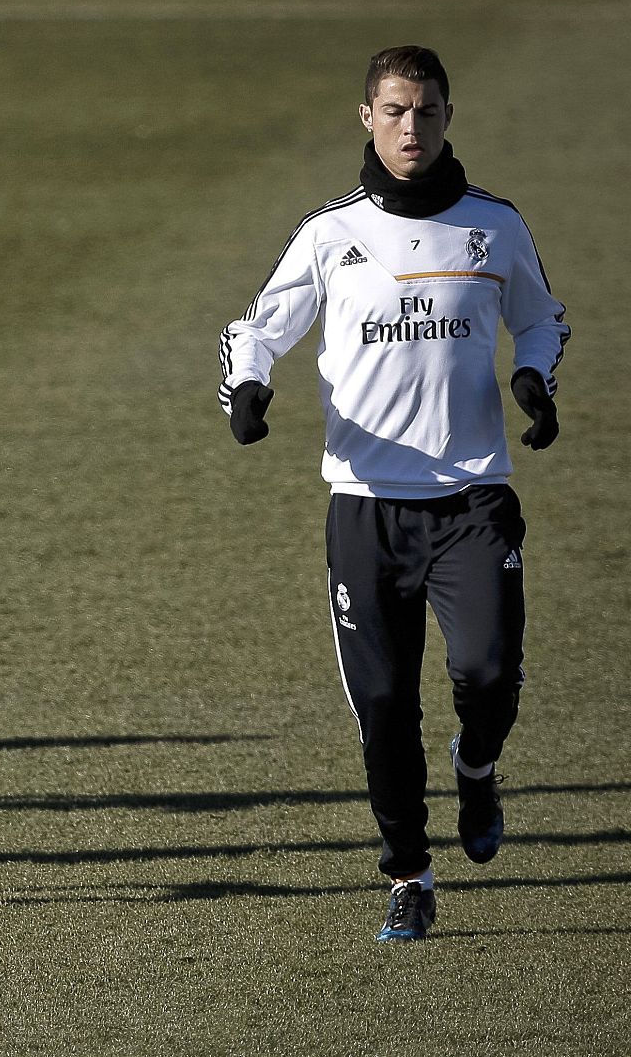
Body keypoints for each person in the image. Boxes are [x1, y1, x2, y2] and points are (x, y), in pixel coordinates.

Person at [217, 46, 567, 942]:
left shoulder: (494, 226)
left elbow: (540, 315)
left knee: (487, 671)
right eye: (396, 110)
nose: (412, 128)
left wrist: (532, 376)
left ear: (449, 117)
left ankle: (478, 765)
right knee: (383, 709)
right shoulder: (332, 233)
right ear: (366, 116)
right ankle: (410, 872)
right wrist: (248, 389)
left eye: (429, 111)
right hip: (366, 506)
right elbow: (257, 325)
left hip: (474, 498)